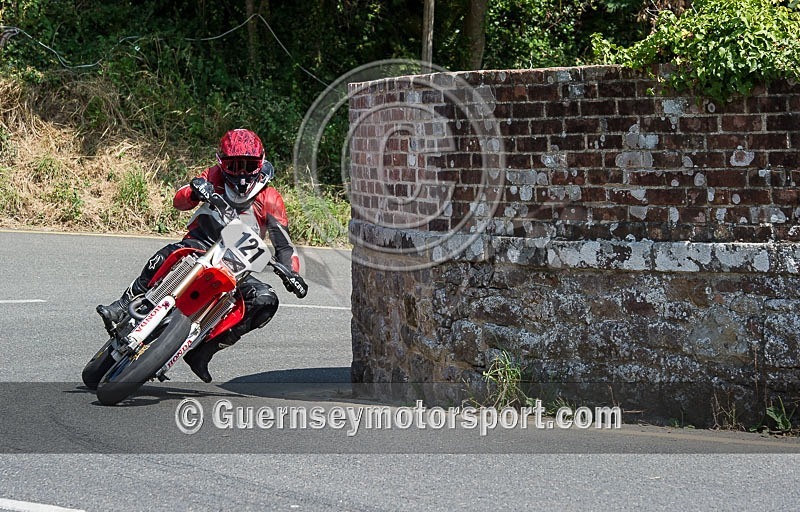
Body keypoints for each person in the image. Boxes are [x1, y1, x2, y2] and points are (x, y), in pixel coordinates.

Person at [97, 128, 302, 383]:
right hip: (199, 245)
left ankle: (204, 351)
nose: (240, 173)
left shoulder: (270, 198)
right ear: (221, 163)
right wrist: (195, 191)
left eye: (247, 165)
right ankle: (122, 305)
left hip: (236, 267)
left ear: (259, 163)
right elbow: (179, 200)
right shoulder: (213, 176)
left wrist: (292, 273)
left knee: (265, 301)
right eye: (234, 165)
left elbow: (284, 247)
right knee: (168, 255)